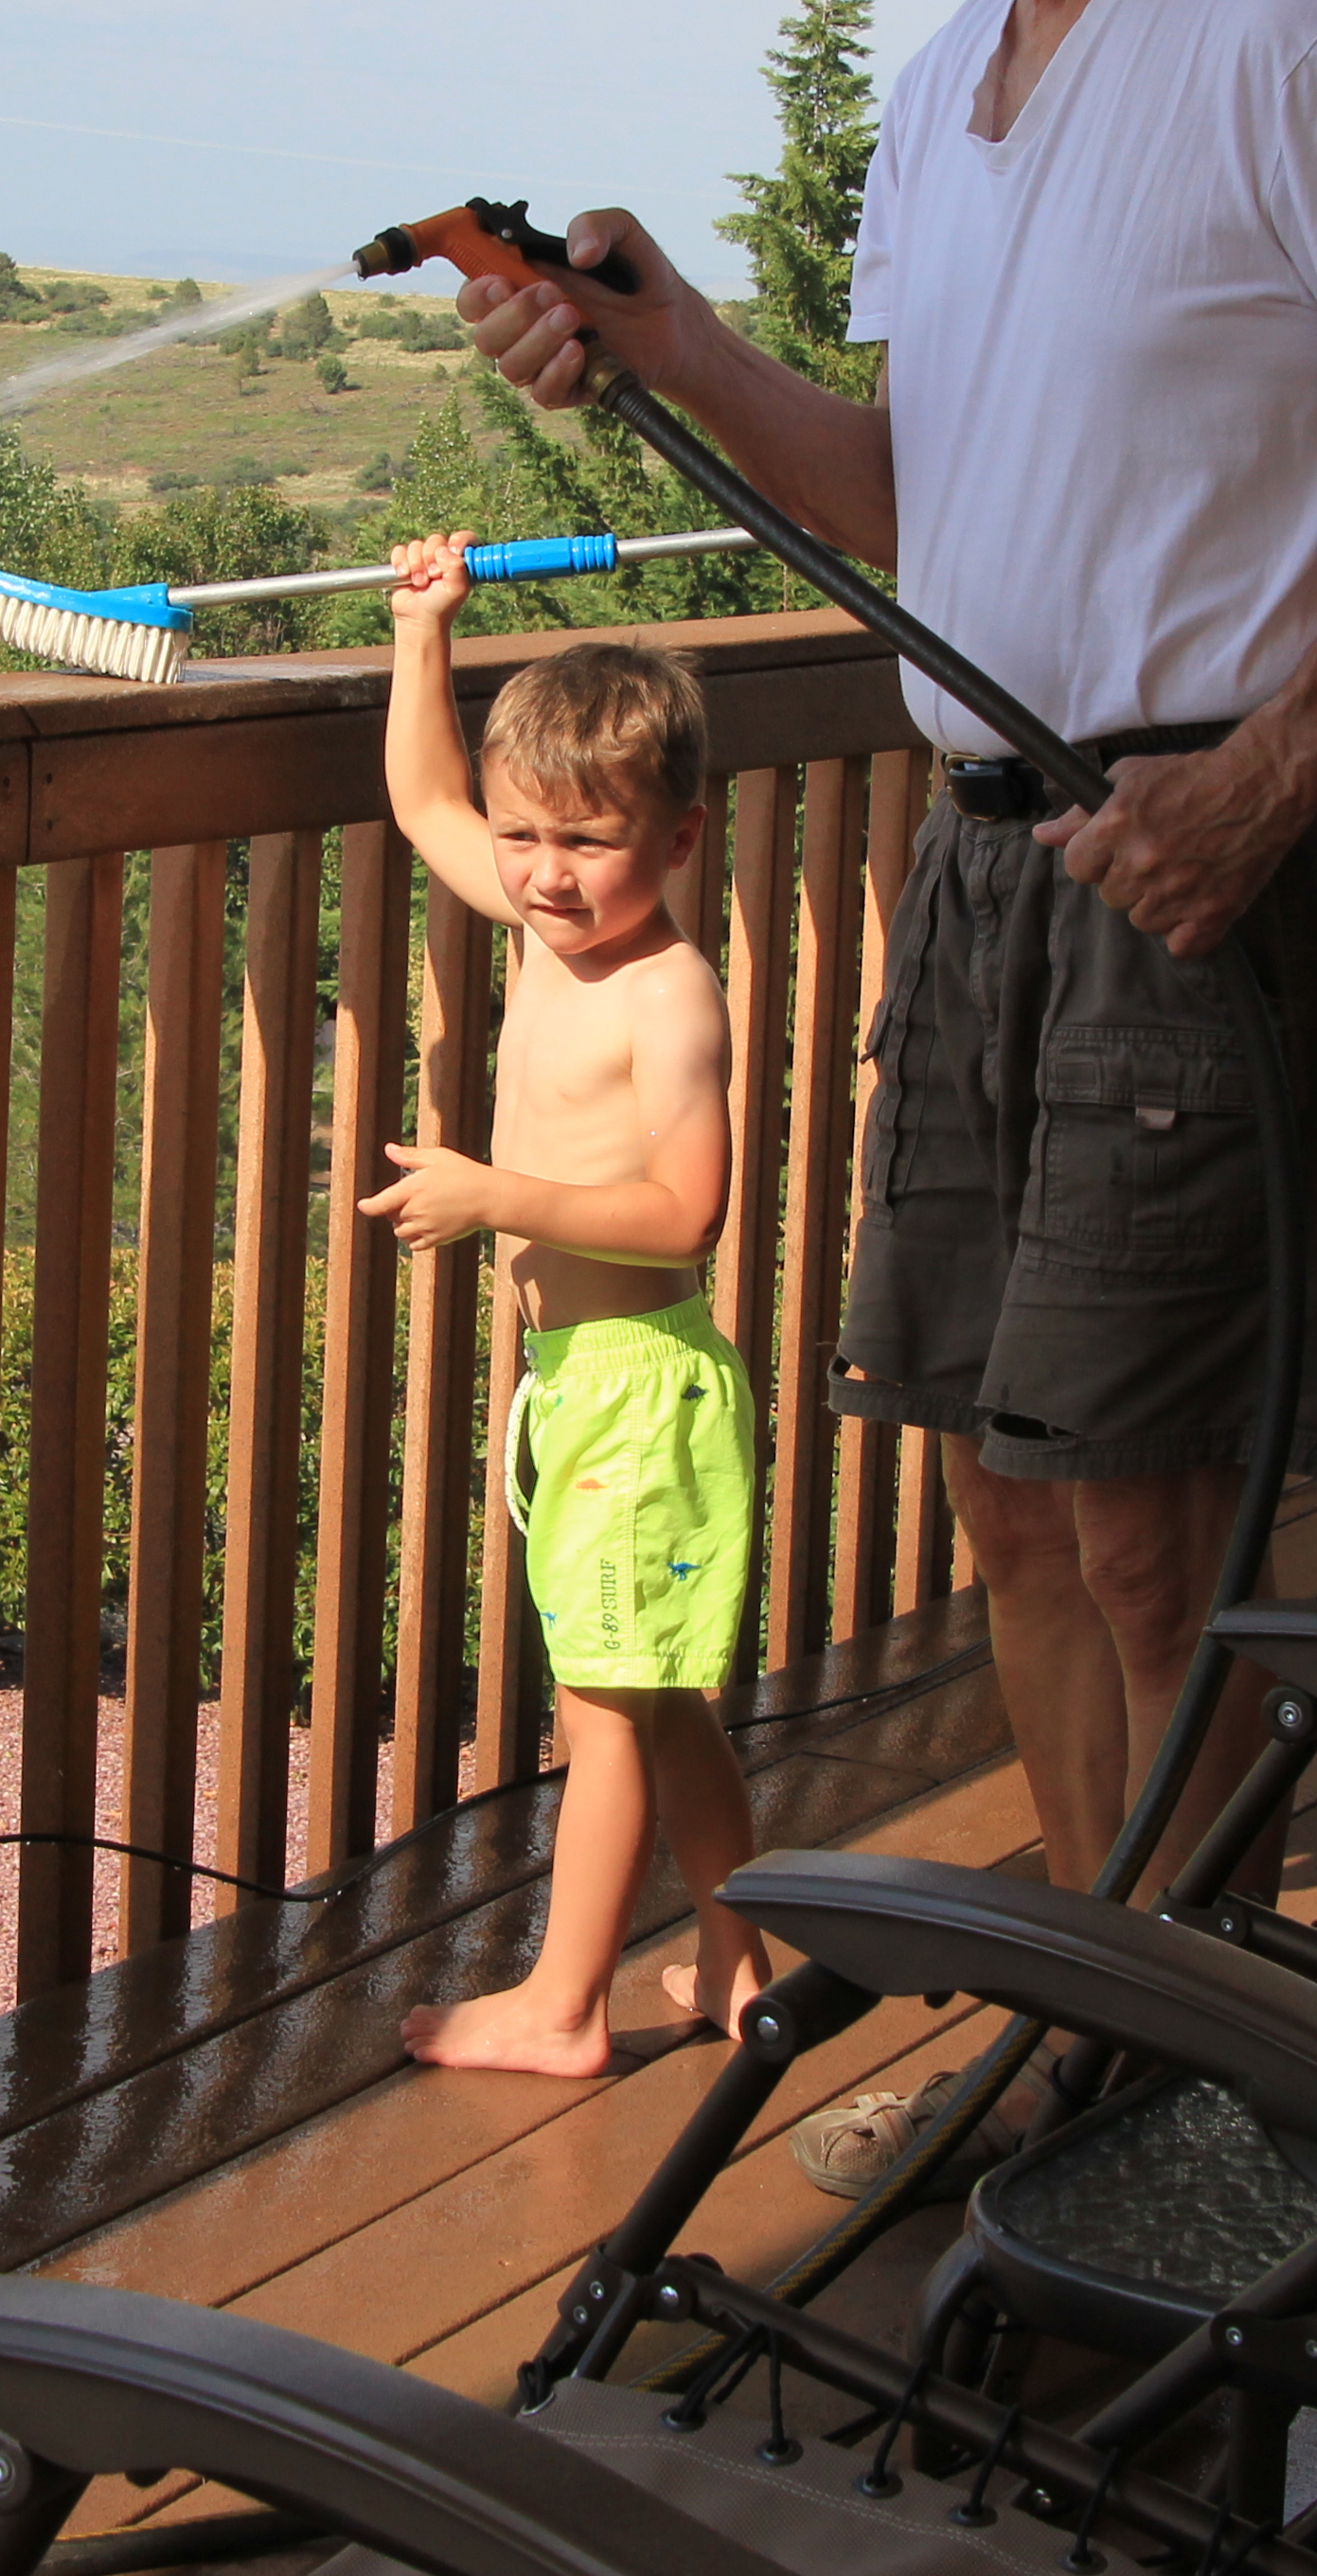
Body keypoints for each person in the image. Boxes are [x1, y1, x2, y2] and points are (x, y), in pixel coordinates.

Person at [445, 0, 1317, 2182]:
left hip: (1196, 860)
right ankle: (1119, 2043)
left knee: (1141, 1526)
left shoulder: (1293, 22)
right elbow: (920, 488)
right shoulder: (965, 90)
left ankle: (1190, 2091)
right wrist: (667, 348)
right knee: (1003, 1478)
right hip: (997, 867)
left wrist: (1277, 768)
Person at [362, 545, 772, 2077]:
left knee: (602, 1708)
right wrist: (425, 635)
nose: (540, 871)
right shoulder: (546, 926)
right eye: (527, 835)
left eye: (585, 843)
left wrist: (496, 1196)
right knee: (659, 1695)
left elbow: (686, 1214)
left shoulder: (670, 997)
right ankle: (736, 1954)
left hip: (639, 1383)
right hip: (581, 1382)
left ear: (677, 837)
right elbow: (424, 804)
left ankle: (563, 2006)